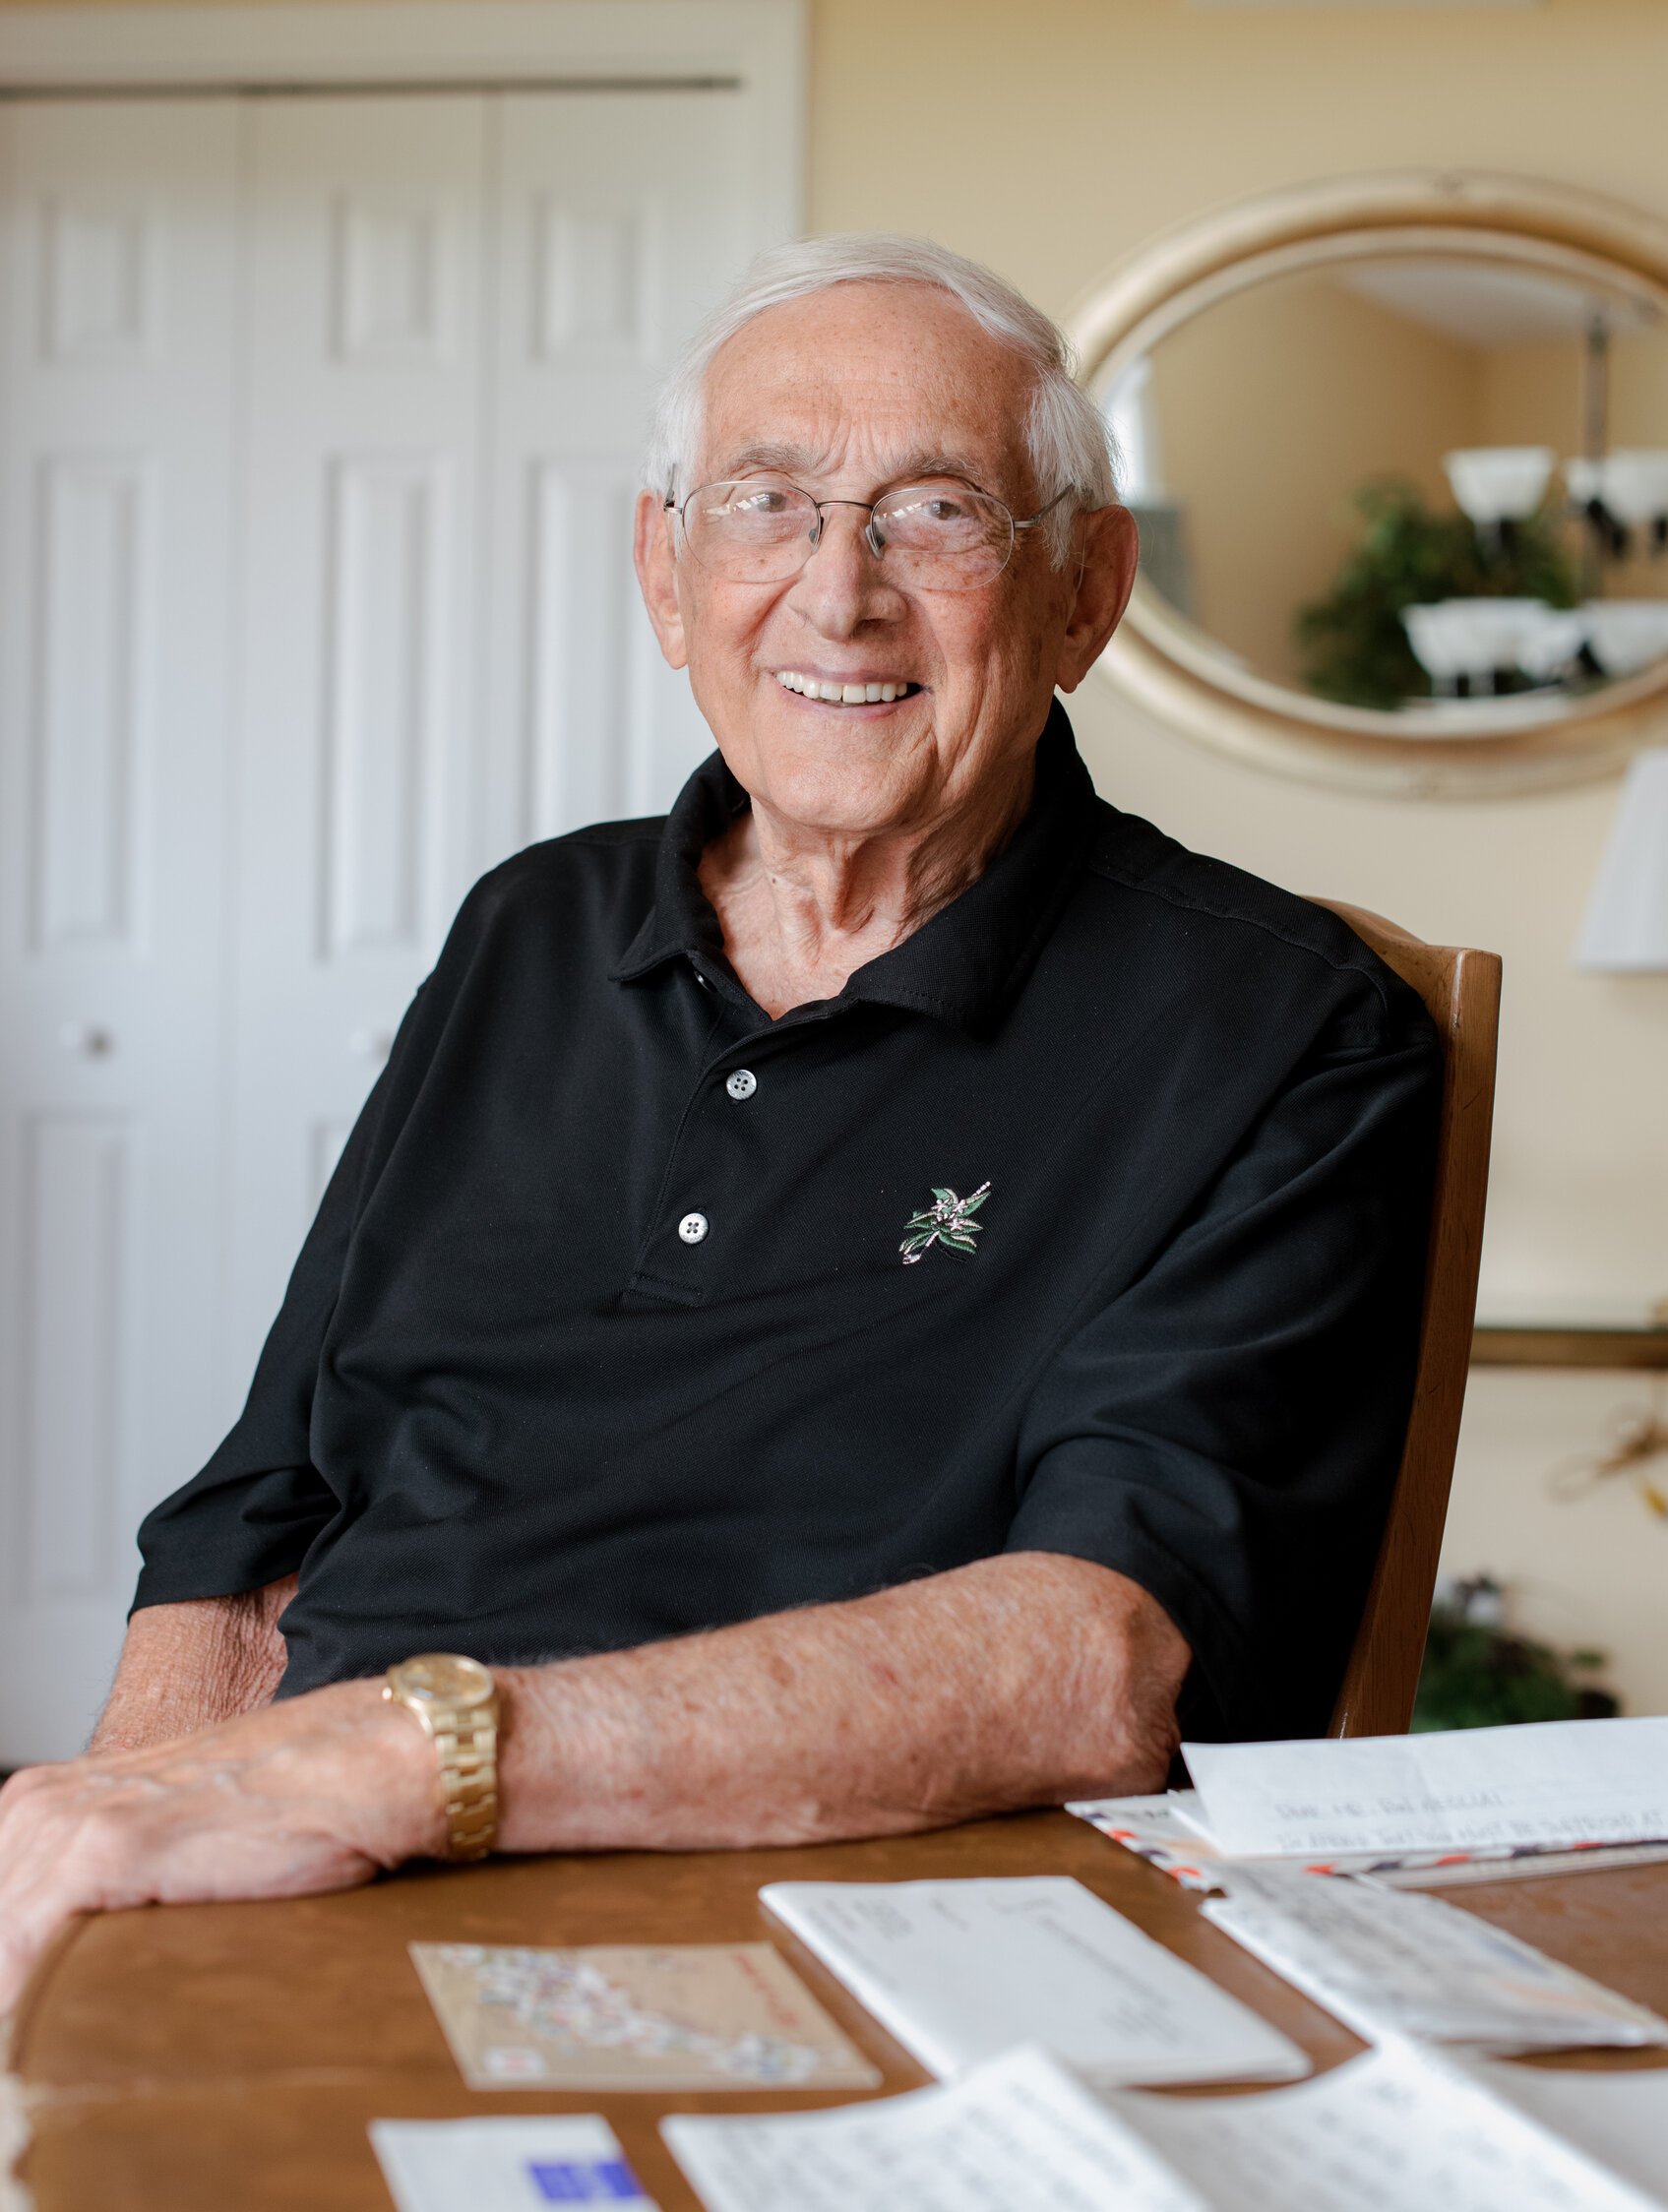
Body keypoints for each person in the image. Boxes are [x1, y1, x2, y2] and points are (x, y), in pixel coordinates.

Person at [0, 236, 1439, 2012]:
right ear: (666, 574)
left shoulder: (1280, 1027)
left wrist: (399, 1759)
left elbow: (1100, 1658)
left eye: (936, 514)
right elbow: (254, 1514)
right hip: (312, 1867)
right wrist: (114, 1898)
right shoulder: (534, 927)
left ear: (1085, 591)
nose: (839, 596)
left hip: (840, 1935)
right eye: (768, 503)